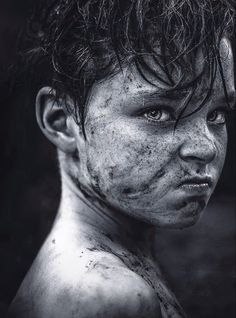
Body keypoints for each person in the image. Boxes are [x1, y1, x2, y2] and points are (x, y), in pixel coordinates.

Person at [9, 0, 235, 317]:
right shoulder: (102, 295)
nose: (206, 147)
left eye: (218, 114)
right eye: (157, 112)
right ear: (61, 121)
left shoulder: (114, 260)